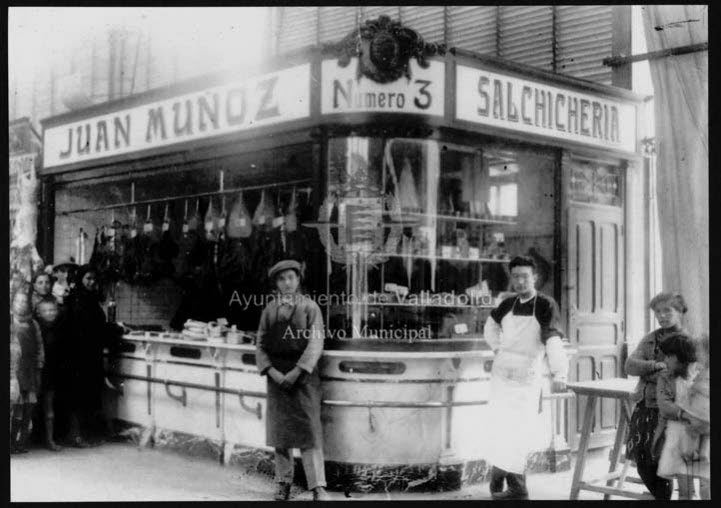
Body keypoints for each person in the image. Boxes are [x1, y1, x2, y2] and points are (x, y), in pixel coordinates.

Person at [482, 255, 568, 500]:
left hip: (526, 376)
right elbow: (490, 326)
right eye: (515, 276)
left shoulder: (545, 304)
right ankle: (501, 479)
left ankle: (518, 488)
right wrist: (498, 348)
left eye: (525, 276)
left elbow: (552, 339)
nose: (520, 282)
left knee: (517, 431)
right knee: (499, 427)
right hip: (501, 374)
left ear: (535, 278)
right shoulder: (507, 304)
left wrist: (559, 371)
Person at [255, 260, 330, 501]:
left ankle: (318, 487)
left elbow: (316, 343)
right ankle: (283, 484)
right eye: (281, 279)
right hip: (277, 378)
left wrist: (297, 372)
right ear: (276, 283)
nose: (287, 283)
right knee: (281, 435)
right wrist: (274, 373)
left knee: (309, 433)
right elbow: (260, 345)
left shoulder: (310, 308)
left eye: (291, 278)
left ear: (298, 280)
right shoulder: (269, 310)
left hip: (304, 379)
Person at [625, 292, 688, 499]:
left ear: (679, 312)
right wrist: (654, 366)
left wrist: (652, 374)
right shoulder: (650, 339)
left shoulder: (687, 342)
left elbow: (678, 376)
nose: (661, 316)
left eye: (667, 311)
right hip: (646, 407)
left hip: (671, 410)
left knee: (663, 460)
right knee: (643, 461)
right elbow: (629, 365)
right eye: (657, 312)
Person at [657, 333, 710, 499]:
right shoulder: (665, 377)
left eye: (669, 356)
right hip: (679, 435)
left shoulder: (700, 374)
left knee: (706, 479)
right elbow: (664, 405)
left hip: (703, 434)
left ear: (682, 357)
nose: (665, 360)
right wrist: (685, 415)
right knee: (684, 483)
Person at [63, 265, 109, 446]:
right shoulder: (76, 300)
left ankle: (84, 433)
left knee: (87, 393)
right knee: (78, 394)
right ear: (81, 279)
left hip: (89, 354)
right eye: (88, 279)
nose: (91, 282)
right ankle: (75, 435)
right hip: (77, 355)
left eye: (93, 279)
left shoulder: (89, 299)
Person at [10, 288, 44, 454]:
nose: (22, 304)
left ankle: (23, 441)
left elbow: (39, 346)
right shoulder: (10, 321)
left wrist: (39, 365)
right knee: (17, 408)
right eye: (18, 300)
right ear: (13, 302)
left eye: (25, 301)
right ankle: (11, 441)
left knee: (29, 407)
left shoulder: (33, 323)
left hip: (30, 370)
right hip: (15, 371)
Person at [34, 299, 64, 451]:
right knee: (32, 406)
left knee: (49, 407)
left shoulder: (60, 329)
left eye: (52, 310)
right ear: (39, 313)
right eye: (46, 311)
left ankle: (50, 439)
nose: (50, 313)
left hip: (52, 373)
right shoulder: (35, 327)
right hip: (37, 371)